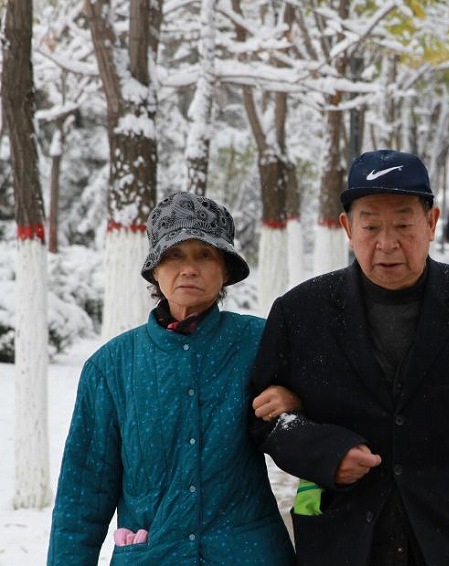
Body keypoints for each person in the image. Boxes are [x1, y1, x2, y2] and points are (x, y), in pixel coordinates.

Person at [250, 149, 449, 565]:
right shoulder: (301, 312)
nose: (386, 243)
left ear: (432, 223)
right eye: (370, 226)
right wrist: (325, 452)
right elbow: (262, 420)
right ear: (347, 227)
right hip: (346, 542)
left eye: (404, 225)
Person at [48, 192, 295, 565]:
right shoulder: (112, 366)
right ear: (155, 270)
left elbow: (334, 401)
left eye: (205, 255)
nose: (189, 269)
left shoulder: (259, 343)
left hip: (247, 554)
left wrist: (297, 400)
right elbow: (83, 494)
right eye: (174, 255)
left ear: (226, 270)